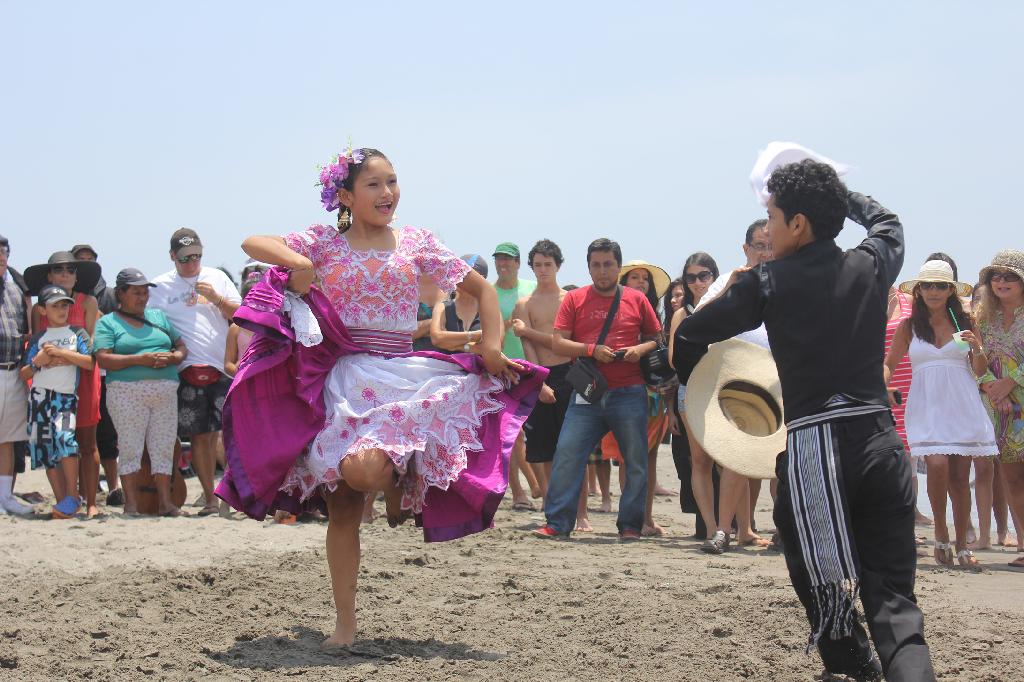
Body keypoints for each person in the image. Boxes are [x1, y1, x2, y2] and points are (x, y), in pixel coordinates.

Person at [220, 147, 543, 647]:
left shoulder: (417, 241)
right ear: (346, 195)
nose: (387, 192)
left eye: (392, 181)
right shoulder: (325, 241)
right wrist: (298, 261)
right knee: (346, 502)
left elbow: (479, 290)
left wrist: (494, 345)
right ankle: (345, 624)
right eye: (373, 184)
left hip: (403, 376)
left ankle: (400, 479)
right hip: (341, 381)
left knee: (366, 471)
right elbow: (252, 241)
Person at [674, 160, 934, 680]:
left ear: (797, 224)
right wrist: (843, 197)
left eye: (771, 217)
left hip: (817, 449)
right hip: (882, 445)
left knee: (815, 571)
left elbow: (692, 333)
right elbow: (888, 223)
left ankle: (850, 661)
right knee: (894, 603)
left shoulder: (766, 282)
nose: (766, 230)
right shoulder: (872, 264)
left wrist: (686, 375)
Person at [534, 238, 660, 540]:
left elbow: (656, 337)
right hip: (587, 392)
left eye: (608, 264)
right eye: (596, 265)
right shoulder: (575, 299)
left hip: (630, 390)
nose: (602, 271)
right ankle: (558, 524)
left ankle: (630, 525)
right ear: (588, 267)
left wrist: (638, 350)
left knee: (636, 460)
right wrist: (591, 349)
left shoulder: (636, 299)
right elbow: (558, 342)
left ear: (618, 266)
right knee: (567, 453)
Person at [885, 261, 997, 568]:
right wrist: (880, 385)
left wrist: (977, 349)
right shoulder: (910, 326)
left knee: (961, 478)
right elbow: (889, 363)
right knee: (935, 464)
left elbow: (978, 371)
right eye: (928, 286)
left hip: (960, 403)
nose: (934, 291)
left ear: (950, 290)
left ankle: (962, 545)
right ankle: (941, 533)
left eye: (941, 286)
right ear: (919, 290)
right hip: (926, 404)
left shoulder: (964, 323)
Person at [681, 222, 775, 552]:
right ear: (746, 248)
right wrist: (731, 286)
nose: (766, 252)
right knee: (735, 456)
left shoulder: (790, 278)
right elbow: (699, 320)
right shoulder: (728, 280)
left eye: (771, 245)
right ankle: (723, 531)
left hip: (780, 379)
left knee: (778, 460)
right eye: (759, 246)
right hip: (736, 380)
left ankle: (780, 531)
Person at [149, 228, 241, 516]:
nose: (192, 263)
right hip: (186, 370)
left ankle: (231, 496)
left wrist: (216, 298)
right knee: (200, 436)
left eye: (197, 256)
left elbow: (241, 315)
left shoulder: (217, 277)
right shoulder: (159, 286)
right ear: (172, 257)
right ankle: (210, 498)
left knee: (228, 435)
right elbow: (151, 325)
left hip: (222, 366)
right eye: (186, 258)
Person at [95, 268, 189, 516]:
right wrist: (141, 360)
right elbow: (103, 359)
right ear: (121, 294)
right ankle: (131, 505)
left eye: (145, 292)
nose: (143, 297)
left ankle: (166, 503)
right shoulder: (107, 322)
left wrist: (173, 357)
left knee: (164, 448)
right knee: (130, 447)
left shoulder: (158, 316)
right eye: (136, 292)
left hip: (165, 392)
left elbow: (181, 346)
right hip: (126, 392)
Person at [24, 251, 104, 517]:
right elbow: (36, 341)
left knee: (85, 440)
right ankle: (68, 499)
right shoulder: (39, 308)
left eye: (71, 269)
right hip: (47, 381)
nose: (66, 274)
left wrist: (60, 356)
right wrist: (44, 359)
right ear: (49, 275)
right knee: (53, 442)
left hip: (81, 374)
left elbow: (90, 344)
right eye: (59, 270)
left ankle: (90, 502)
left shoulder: (88, 301)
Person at [598, 260, 672, 537]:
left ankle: (646, 518)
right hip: (625, 392)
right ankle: (631, 518)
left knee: (648, 459)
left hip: (654, 396)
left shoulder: (654, 315)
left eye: (645, 279)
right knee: (629, 458)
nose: (641, 282)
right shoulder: (616, 313)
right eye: (635, 277)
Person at [666, 254, 722, 539]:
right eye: (691, 277)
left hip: (724, 391)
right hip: (692, 391)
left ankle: (735, 528)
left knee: (731, 462)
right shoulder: (681, 314)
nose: (698, 282)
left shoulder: (727, 306)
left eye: (704, 275)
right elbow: (674, 360)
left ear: (714, 276)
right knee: (700, 461)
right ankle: (712, 528)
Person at [510, 240, 570, 503]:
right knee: (543, 447)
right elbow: (527, 345)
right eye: (538, 265)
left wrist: (527, 330)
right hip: (541, 374)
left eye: (548, 264)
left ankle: (577, 509)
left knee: (569, 445)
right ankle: (550, 501)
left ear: (558, 266)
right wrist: (540, 381)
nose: (543, 270)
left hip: (569, 372)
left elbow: (563, 342)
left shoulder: (569, 300)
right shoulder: (525, 303)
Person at [975, 249, 1024, 567]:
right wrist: (990, 384)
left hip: (1017, 397)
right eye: (996, 276)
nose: (1001, 281)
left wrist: (1013, 381)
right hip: (998, 409)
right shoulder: (980, 317)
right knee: (1012, 478)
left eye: (1010, 276)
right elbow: (969, 352)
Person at [72, 243, 122, 505]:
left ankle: (114, 487)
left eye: (89, 260)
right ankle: (82, 489)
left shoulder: (110, 294)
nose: (85, 264)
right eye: (79, 261)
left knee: (107, 435)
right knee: (78, 435)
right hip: (73, 372)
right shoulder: (66, 296)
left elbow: (120, 331)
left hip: (105, 373)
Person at [493, 241, 540, 509]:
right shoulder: (489, 292)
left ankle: (540, 486)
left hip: (532, 366)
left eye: (508, 259)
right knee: (511, 434)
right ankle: (520, 492)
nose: (503, 264)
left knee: (536, 433)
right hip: (503, 369)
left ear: (518, 263)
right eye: (499, 259)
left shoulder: (530, 289)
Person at [0, 235, 33, 515]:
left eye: (3, 251)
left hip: (13, 370)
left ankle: (5, 498)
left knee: (9, 438)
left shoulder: (16, 291)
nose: (1, 256)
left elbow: (27, 330)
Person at [429, 255, 487, 353]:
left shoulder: (489, 311)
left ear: (482, 279)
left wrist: (458, 346)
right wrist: (476, 336)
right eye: (457, 274)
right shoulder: (442, 307)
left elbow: (494, 348)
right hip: (445, 368)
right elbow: (437, 339)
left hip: (478, 368)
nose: (460, 279)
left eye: (466, 275)